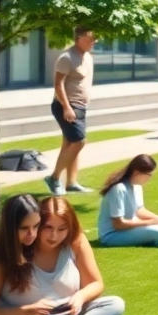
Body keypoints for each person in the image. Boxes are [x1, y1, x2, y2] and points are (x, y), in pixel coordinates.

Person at [0, 195, 126, 315]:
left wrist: (80, 296)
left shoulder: (76, 241)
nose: (55, 236)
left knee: (115, 304)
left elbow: (96, 284)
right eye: (47, 228)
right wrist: (24, 311)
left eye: (62, 229)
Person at [44, 26, 95, 197]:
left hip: (80, 106)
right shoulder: (66, 57)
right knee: (79, 141)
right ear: (79, 38)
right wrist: (66, 107)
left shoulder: (87, 57)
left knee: (70, 143)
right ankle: (54, 178)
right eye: (90, 39)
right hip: (67, 106)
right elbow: (58, 84)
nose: (94, 42)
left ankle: (71, 182)